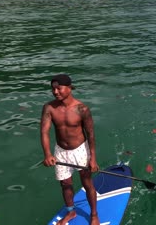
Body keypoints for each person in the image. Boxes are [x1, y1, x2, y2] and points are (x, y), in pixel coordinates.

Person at [40, 74, 100, 225]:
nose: (55, 92)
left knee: (87, 183)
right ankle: (70, 212)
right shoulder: (49, 108)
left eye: (58, 88)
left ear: (69, 88)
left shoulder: (82, 109)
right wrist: (47, 154)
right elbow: (44, 132)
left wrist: (93, 159)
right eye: (53, 89)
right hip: (60, 151)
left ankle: (93, 214)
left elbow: (91, 135)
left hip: (80, 150)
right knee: (65, 184)